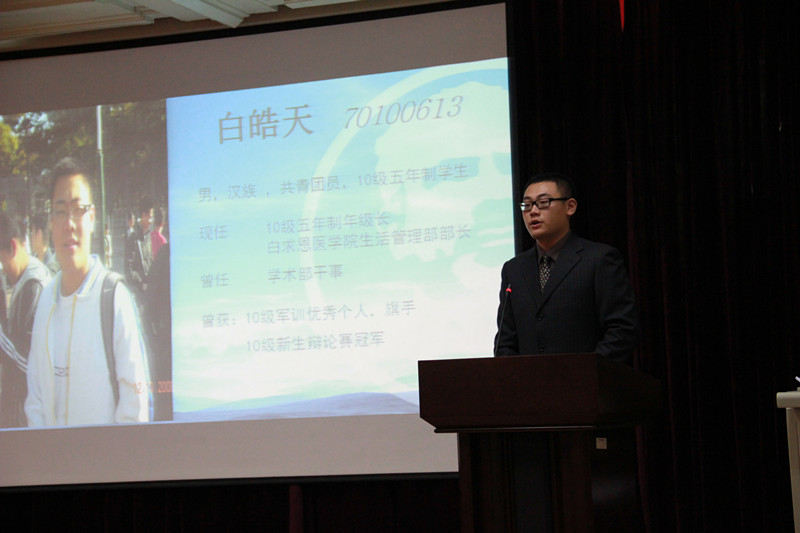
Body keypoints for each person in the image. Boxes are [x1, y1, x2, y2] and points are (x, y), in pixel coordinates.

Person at [25, 157, 150, 427]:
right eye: (61, 211)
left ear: (92, 217)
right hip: (50, 455)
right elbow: (35, 397)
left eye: (78, 210)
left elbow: (136, 407)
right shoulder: (45, 300)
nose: (69, 223)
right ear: (51, 221)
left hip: (105, 455)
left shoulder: (114, 298)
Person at [494, 172, 640, 362]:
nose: (533, 211)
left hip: (585, 378)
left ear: (570, 207)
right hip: (528, 380)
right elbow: (505, 341)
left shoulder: (599, 259)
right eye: (527, 205)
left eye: (543, 202)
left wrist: (584, 371)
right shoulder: (513, 269)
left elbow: (622, 330)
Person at [0, 211, 52, 427]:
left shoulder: (34, 286)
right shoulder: (24, 280)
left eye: (1, 261)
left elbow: (29, 362)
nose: (3, 271)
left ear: (13, 247)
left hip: (30, 413)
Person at [125, 197, 153, 306]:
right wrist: (141, 284)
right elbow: (128, 269)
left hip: (149, 292)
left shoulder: (149, 237)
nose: (151, 221)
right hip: (138, 295)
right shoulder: (133, 239)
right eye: (150, 217)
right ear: (143, 215)